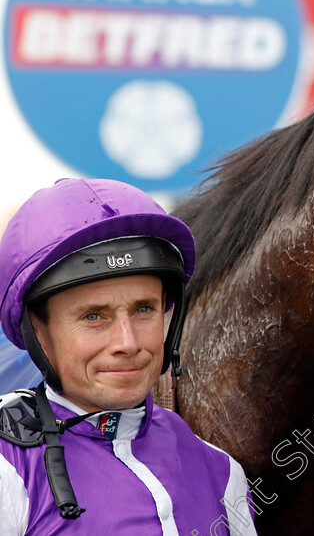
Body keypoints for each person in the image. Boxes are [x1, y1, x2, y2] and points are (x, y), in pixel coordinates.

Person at [0, 178, 257, 534]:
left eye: (144, 309)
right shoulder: (6, 467)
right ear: (38, 331)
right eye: (94, 316)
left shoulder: (223, 472)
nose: (128, 342)